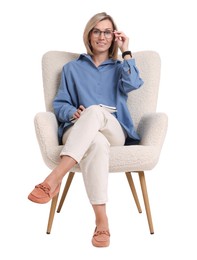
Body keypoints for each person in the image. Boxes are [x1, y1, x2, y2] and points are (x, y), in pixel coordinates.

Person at [28, 12, 143, 247]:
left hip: (114, 129)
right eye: (97, 31)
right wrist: (72, 113)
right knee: (97, 142)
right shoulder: (71, 69)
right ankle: (102, 222)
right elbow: (59, 104)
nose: (102, 36)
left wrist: (126, 51)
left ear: (114, 37)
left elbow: (134, 84)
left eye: (107, 32)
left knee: (96, 112)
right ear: (89, 35)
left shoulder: (121, 67)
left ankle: (54, 178)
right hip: (79, 128)